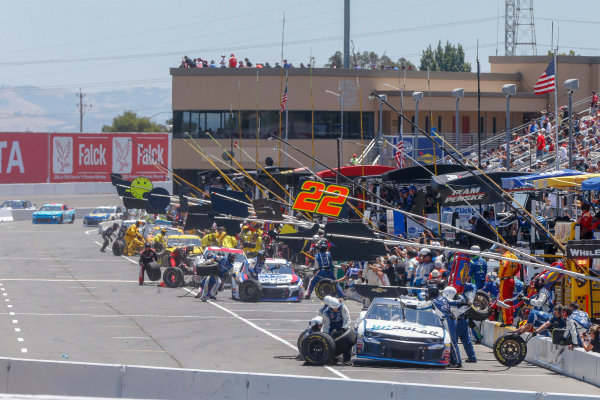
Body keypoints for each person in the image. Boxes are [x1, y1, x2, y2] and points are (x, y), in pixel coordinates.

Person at [319, 296, 352, 366]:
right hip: (332, 325)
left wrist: (343, 328)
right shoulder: (326, 312)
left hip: (342, 324)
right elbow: (327, 324)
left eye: (337, 308)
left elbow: (347, 319)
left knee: (347, 342)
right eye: (334, 308)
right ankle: (332, 358)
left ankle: (347, 360)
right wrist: (326, 334)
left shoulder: (343, 308)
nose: (336, 309)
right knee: (331, 341)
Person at [450, 284, 477, 363]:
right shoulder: (466, 297)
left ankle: (454, 360)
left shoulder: (460, 297)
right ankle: (472, 357)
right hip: (464, 320)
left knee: (453, 341)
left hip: (459, 320)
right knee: (466, 340)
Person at [498, 250, 521, 326]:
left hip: (505, 280)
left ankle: (507, 321)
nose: (499, 251)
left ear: (502, 248)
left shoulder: (505, 256)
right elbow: (519, 266)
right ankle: (510, 319)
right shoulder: (514, 256)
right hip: (511, 279)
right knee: (510, 300)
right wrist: (512, 274)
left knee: (504, 300)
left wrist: (500, 276)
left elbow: (504, 265)